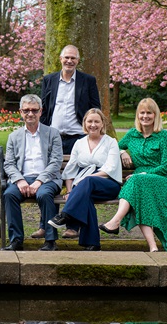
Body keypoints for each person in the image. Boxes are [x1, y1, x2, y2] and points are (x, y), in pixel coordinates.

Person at [34, 44, 101, 240]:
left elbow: (95, 107)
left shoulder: (87, 81)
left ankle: (73, 226)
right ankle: (45, 225)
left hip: (78, 139)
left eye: (73, 58)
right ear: (60, 59)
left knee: (78, 181)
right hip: (52, 138)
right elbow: (44, 107)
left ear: (77, 61)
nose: (69, 61)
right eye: (66, 58)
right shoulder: (49, 80)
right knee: (49, 179)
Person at [99, 98, 167, 252]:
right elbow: (113, 147)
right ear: (137, 115)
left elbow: (166, 165)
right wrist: (122, 152)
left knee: (136, 180)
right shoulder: (133, 134)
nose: (145, 116)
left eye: (149, 113)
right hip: (139, 181)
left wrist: (146, 173)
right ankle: (153, 247)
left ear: (155, 115)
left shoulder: (163, 136)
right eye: (142, 113)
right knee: (139, 197)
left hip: (160, 179)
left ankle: (115, 221)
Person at [47, 108, 122, 251]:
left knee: (87, 182)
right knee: (85, 198)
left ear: (102, 124)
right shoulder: (79, 143)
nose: (93, 125)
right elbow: (69, 171)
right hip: (84, 187)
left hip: (108, 184)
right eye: (90, 121)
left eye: (96, 121)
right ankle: (92, 243)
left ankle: (66, 215)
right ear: (85, 123)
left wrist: (84, 181)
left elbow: (109, 169)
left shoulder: (110, 142)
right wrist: (70, 191)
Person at [1, 94, 63, 251]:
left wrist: (39, 181)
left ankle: (50, 241)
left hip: (47, 179)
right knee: (9, 194)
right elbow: (9, 163)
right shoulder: (13, 136)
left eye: (34, 110)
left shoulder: (52, 134)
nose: (30, 114)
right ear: (20, 112)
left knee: (44, 194)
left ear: (41, 112)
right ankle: (16, 240)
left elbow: (55, 162)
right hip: (22, 178)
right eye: (26, 110)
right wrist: (19, 180)